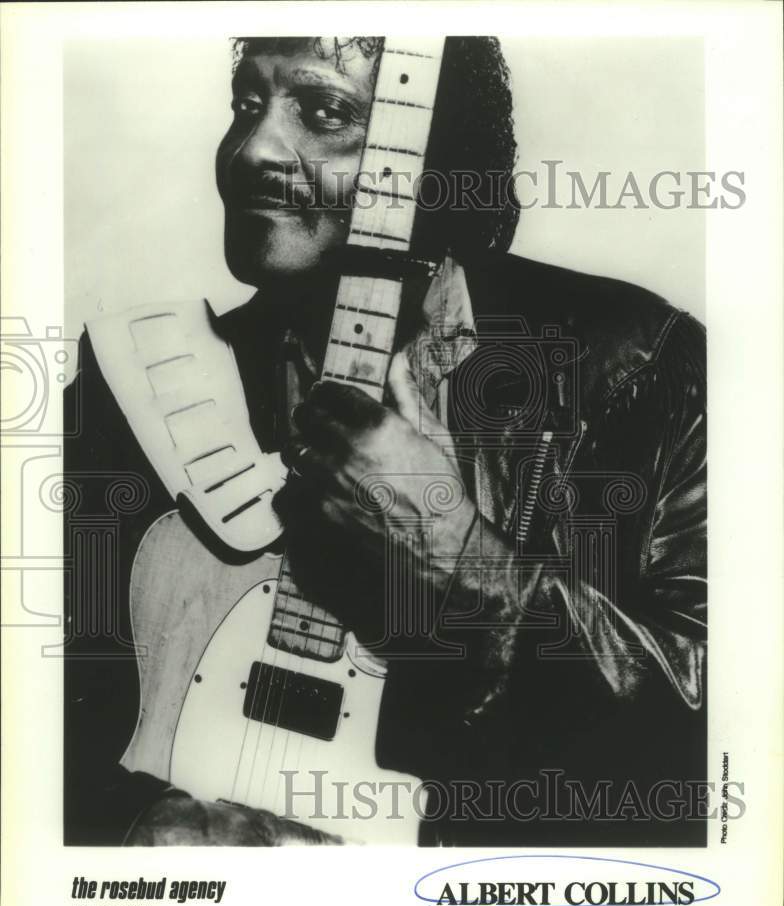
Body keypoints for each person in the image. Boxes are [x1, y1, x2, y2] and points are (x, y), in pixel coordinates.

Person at [64, 35, 707, 847]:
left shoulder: (639, 364)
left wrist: (460, 560)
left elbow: (705, 725)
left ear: (429, 162)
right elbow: (37, 722)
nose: (253, 148)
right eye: (246, 105)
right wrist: (141, 826)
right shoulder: (134, 387)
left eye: (325, 111)